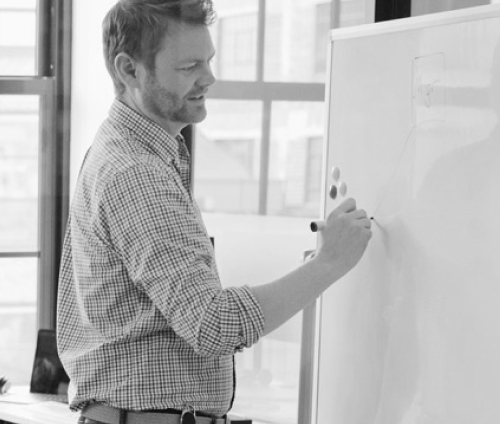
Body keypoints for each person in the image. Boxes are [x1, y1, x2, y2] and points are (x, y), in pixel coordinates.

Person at [56, 0, 372, 423]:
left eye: (208, 60)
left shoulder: (137, 154)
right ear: (128, 70)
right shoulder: (136, 172)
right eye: (188, 67)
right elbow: (212, 325)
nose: (209, 77)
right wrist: (329, 261)